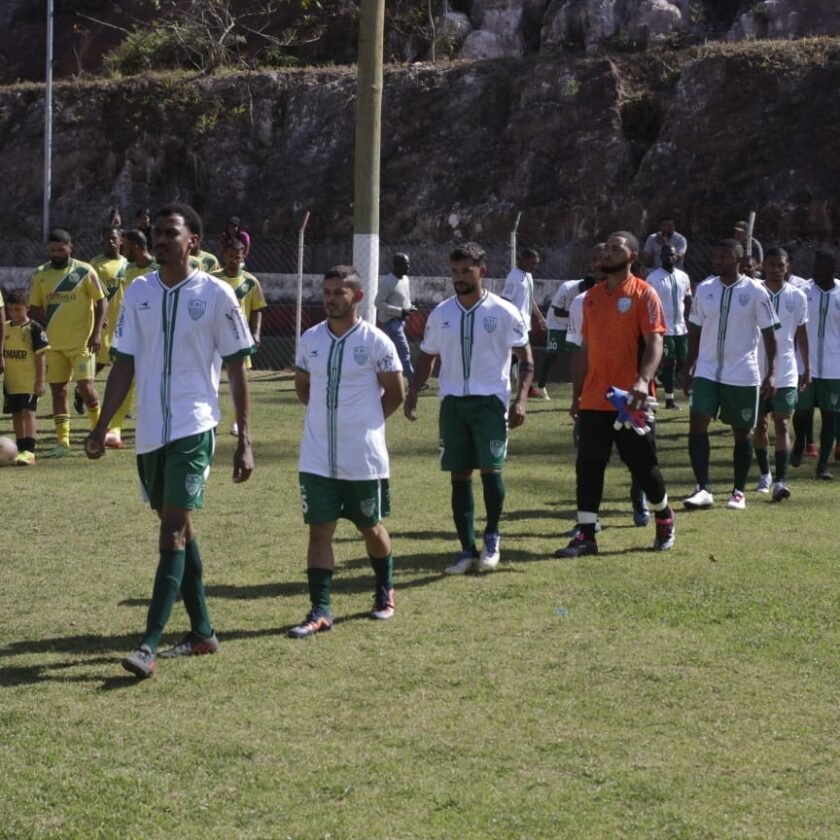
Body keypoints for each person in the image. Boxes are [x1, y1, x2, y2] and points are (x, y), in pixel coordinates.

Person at [85, 203, 256, 679]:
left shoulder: (217, 294)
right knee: (178, 527)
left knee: (172, 529)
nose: (160, 240)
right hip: (150, 432)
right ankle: (202, 632)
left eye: (170, 233)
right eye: (156, 233)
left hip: (194, 426)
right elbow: (124, 363)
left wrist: (244, 437)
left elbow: (239, 367)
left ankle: (148, 644)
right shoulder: (138, 291)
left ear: (193, 241)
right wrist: (101, 426)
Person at [289, 266, 404, 637]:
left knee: (370, 527)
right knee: (319, 531)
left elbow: (396, 394)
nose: (330, 298)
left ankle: (384, 589)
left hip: (363, 458)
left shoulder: (376, 342)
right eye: (326, 291)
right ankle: (320, 609)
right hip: (317, 455)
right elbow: (303, 388)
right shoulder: (310, 340)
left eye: (339, 292)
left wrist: (365, 423)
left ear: (357, 296)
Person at [405, 241, 533, 574]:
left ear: (482, 271)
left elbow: (526, 359)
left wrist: (521, 399)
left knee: (491, 469)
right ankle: (466, 549)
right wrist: (413, 391)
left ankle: (492, 536)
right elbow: (427, 357)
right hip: (453, 405)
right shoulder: (442, 313)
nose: (459, 277)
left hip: (490, 403)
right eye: (455, 271)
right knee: (458, 475)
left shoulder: (504, 312)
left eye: (466, 270)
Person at [556, 232, 676, 557]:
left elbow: (655, 342)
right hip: (595, 398)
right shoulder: (591, 298)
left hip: (631, 400)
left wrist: (642, 381)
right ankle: (586, 535)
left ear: (632, 256)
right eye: (605, 249)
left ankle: (664, 516)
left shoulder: (644, 294)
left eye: (615, 249)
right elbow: (586, 348)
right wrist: (577, 394)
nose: (607, 254)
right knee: (589, 465)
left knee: (642, 467)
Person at [682, 239, 779, 511]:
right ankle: (703, 488)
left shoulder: (757, 292)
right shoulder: (704, 289)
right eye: (716, 257)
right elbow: (696, 330)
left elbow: (771, 334)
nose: (718, 261)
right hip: (707, 369)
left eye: (724, 257)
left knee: (742, 432)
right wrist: (688, 365)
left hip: (743, 372)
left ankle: (738, 491)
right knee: (697, 424)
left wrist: (772, 373)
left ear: (738, 260)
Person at [28, 228, 106, 457]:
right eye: (53, 249)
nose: (57, 253)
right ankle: (63, 442)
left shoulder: (84, 271)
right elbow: (33, 308)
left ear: (70, 247)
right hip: (53, 345)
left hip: (82, 343)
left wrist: (97, 334)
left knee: (86, 389)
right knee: (58, 392)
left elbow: (101, 302)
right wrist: (44, 327)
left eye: (61, 249)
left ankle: (97, 432)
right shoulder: (40, 274)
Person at [752, 247, 809, 500]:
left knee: (783, 423)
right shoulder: (753, 291)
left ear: (789, 266)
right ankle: (765, 473)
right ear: (764, 265)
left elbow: (802, 335)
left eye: (781, 265)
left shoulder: (797, 296)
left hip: (786, 368)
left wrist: (807, 367)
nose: (776, 269)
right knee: (758, 425)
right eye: (772, 264)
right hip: (754, 367)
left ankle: (781, 481)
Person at [102, 229, 159, 449]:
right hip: (134, 334)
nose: (122, 249)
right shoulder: (127, 269)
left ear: (135, 246)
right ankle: (115, 429)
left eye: (125, 245)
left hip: (158, 336)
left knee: (154, 383)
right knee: (126, 379)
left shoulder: (159, 269)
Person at [536, 244, 608, 400]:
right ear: (580, 286)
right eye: (583, 291)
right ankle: (540, 386)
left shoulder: (594, 291)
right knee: (552, 355)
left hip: (575, 323)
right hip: (557, 324)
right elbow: (557, 311)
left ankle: (587, 387)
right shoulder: (567, 287)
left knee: (582, 353)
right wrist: (577, 313)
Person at [792, 250, 840, 479]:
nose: (815, 271)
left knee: (830, 416)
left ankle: (822, 465)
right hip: (804, 365)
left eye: (821, 267)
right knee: (801, 411)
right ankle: (800, 440)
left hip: (834, 367)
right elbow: (794, 327)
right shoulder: (803, 293)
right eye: (814, 266)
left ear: (833, 268)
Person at [213, 238, 268, 435]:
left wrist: (256, 332)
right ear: (224, 256)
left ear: (243, 256)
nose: (234, 260)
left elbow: (257, 309)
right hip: (214, 335)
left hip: (239, 336)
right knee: (210, 378)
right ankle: (211, 417)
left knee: (238, 380)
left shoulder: (250, 282)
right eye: (230, 256)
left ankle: (236, 422)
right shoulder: (212, 278)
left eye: (238, 257)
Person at [2, 288, 49, 465]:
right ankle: (20, 450)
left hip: (29, 381)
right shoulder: (5, 328)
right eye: (10, 309)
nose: (14, 313)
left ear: (27, 307)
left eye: (18, 309)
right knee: (16, 414)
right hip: (11, 381)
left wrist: (40, 380)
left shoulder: (34, 329)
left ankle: (30, 451)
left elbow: (40, 356)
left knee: (28, 413)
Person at [645, 244, 692, 410]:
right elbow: (648, 303)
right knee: (669, 361)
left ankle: (658, 380)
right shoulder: (653, 278)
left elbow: (688, 298)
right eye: (665, 255)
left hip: (681, 328)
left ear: (676, 257)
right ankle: (669, 400)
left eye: (671, 255)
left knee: (683, 361)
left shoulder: (683, 277)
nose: (668, 258)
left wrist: (689, 319)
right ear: (660, 257)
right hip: (664, 328)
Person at [500, 248, 546, 397]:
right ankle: (525, 387)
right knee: (521, 356)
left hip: (525, 324)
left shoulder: (528, 275)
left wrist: (540, 317)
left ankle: (524, 386)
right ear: (524, 260)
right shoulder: (514, 277)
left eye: (537, 264)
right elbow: (506, 299)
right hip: (515, 324)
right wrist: (510, 321)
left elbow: (530, 298)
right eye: (533, 263)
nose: (535, 266)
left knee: (518, 357)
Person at [375, 252, 417, 388]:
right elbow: (378, 303)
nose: (408, 267)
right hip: (391, 322)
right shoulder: (387, 282)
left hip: (401, 320)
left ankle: (384, 379)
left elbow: (405, 298)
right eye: (405, 264)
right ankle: (414, 382)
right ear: (396, 265)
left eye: (409, 264)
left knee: (392, 353)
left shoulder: (405, 279)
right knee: (404, 350)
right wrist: (400, 311)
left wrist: (410, 307)